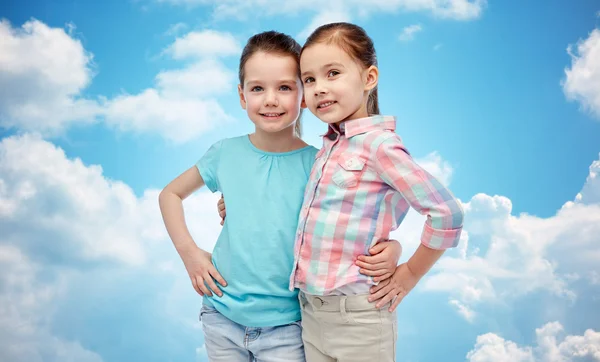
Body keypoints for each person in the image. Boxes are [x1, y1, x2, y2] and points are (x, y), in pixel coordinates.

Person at [159, 30, 401, 362]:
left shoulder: (321, 164)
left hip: (290, 327)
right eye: (257, 88)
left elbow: (355, 221)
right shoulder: (223, 154)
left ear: (304, 95)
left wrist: (393, 247)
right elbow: (170, 194)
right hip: (220, 316)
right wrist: (190, 254)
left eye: (285, 87)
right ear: (242, 96)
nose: (270, 99)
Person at [289, 22, 465, 362]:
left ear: (369, 78)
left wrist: (409, 272)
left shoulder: (379, 146)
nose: (319, 88)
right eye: (309, 79)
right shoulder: (328, 149)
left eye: (333, 73)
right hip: (311, 314)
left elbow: (447, 212)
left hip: (360, 317)